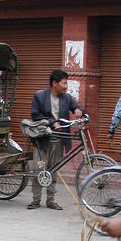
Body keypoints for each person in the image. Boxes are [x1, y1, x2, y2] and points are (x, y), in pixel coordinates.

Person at [28, 69, 83, 211]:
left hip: (59, 140)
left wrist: (78, 111)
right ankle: (36, 200)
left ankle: (51, 200)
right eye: (64, 83)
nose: (66, 86)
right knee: (39, 169)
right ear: (54, 83)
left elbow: (75, 107)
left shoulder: (67, 98)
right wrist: (52, 122)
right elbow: (35, 115)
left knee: (54, 169)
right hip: (42, 140)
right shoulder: (40, 96)